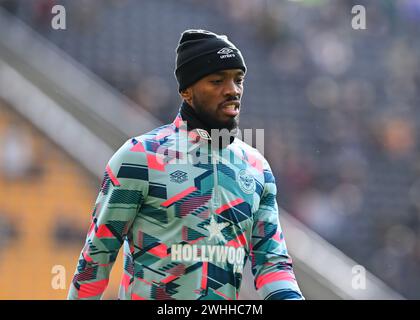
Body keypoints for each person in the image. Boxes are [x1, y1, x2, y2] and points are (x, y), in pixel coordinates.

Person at [68, 29, 304, 300]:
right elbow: (96, 259)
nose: (233, 90)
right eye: (217, 81)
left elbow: (272, 263)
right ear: (187, 91)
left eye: (238, 80)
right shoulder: (139, 157)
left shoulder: (256, 167)